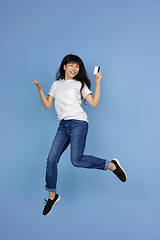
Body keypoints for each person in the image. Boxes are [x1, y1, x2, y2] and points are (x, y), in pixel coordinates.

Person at [31, 54, 127, 216]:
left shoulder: (80, 85)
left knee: (77, 160)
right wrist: (40, 91)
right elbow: (48, 105)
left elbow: (94, 103)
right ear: (64, 66)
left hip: (78, 123)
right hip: (63, 125)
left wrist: (98, 83)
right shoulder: (56, 84)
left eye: (77, 66)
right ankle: (52, 197)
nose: (74, 69)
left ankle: (111, 165)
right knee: (51, 160)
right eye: (71, 65)